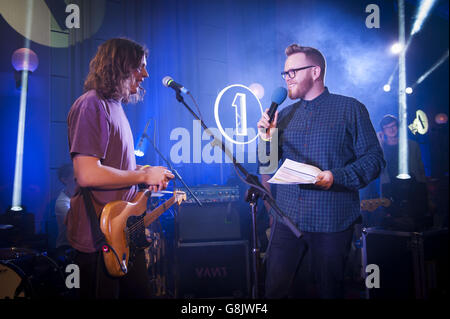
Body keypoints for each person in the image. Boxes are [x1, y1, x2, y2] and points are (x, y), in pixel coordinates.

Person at [257, 44, 385, 299]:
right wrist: (266, 139)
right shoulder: (283, 115)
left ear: (315, 72)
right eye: (285, 74)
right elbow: (267, 167)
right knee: (275, 291)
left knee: (329, 292)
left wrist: (335, 177)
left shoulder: (350, 108)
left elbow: (374, 160)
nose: (287, 78)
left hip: (332, 221)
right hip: (288, 220)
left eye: (293, 71)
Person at [66, 38, 175, 299]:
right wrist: (144, 175)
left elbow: (113, 166)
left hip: (123, 234)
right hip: (98, 241)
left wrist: (143, 171)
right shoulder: (92, 104)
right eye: (140, 66)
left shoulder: (115, 106)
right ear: (120, 66)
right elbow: (87, 173)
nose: (146, 74)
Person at [377, 114, 428, 231]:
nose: (391, 129)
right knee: (395, 224)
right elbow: (377, 168)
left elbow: (421, 170)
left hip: (414, 186)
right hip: (391, 188)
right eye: (387, 127)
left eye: (393, 126)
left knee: (417, 223)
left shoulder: (412, 145)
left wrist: (427, 195)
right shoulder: (381, 148)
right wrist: (379, 143)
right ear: (383, 131)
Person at [55, 163, 77, 250]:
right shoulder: (62, 203)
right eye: (75, 174)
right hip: (66, 248)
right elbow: (76, 228)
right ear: (64, 179)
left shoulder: (82, 195)